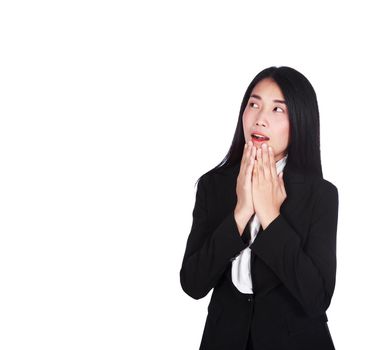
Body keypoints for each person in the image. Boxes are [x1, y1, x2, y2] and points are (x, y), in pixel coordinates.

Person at [179, 66, 339, 350]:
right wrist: (240, 213)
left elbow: (316, 298)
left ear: (300, 121)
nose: (260, 119)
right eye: (254, 104)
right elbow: (193, 283)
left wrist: (271, 216)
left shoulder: (320, 195)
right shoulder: (212, 185)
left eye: (278, 110)